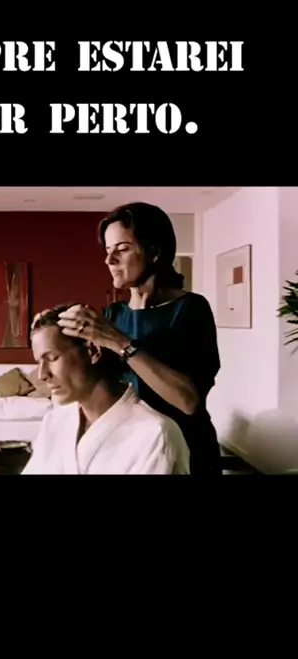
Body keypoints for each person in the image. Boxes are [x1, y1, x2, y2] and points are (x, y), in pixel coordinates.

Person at [57, 203, 222, 475]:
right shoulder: (112, 314)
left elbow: (188, 401)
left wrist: (119, 342)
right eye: (107, 251)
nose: (109, 260)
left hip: (186, 449)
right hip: (133, 451)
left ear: (155, 252)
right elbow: (96, 385)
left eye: (121, 249)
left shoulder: (191, 309)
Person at [21, 304, 190, 474]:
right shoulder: (54, 421)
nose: (42, 375)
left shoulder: (155, 434)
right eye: (39, 362)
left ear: (93, 351)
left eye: (52, 358)